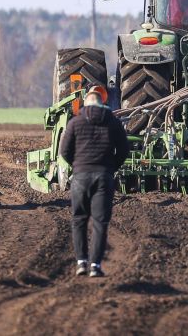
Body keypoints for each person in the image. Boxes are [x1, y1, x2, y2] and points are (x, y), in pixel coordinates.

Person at [59, 87, 129, 277]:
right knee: (100, 222)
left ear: (86, 103)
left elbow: (64, 151)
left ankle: (81, 262)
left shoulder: (76, 122)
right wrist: (111, 167)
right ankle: (95, 266)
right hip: (103, 177)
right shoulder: (113, 122)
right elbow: (124, 150)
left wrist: (77, 165)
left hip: (81, 177)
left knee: (79, 220)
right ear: (102, 103)